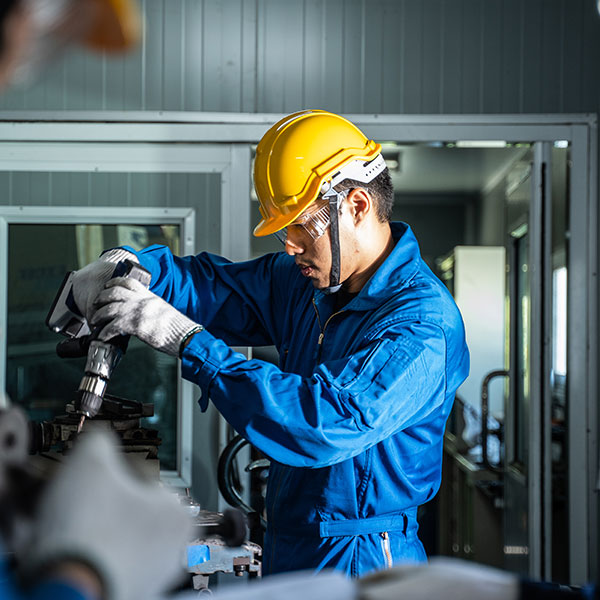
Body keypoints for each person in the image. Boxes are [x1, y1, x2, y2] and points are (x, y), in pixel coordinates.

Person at [74, 109, 470, 578]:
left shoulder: (422, 325)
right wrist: (134, 268)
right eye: (285, 229)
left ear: (357, 205)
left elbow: (323, 421)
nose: (290, 245)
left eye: (301, 224)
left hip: (362, 558)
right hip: (289, 541)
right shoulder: (310, 285)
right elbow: (214, 288)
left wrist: (188, 341)